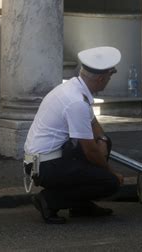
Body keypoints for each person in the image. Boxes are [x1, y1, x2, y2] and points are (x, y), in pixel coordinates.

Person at [24, 46, 124, 224]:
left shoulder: (74, 88)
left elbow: (93, 123)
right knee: (109, 183)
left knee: (105, 143)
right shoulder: (75, 102)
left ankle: (80, 206)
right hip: (46, 166)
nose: (110, 79)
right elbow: (90, 151)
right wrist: (111, 173)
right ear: (101, 79)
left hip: (46, 159)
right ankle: (49, 200)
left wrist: (102, 140)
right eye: (110, 75)